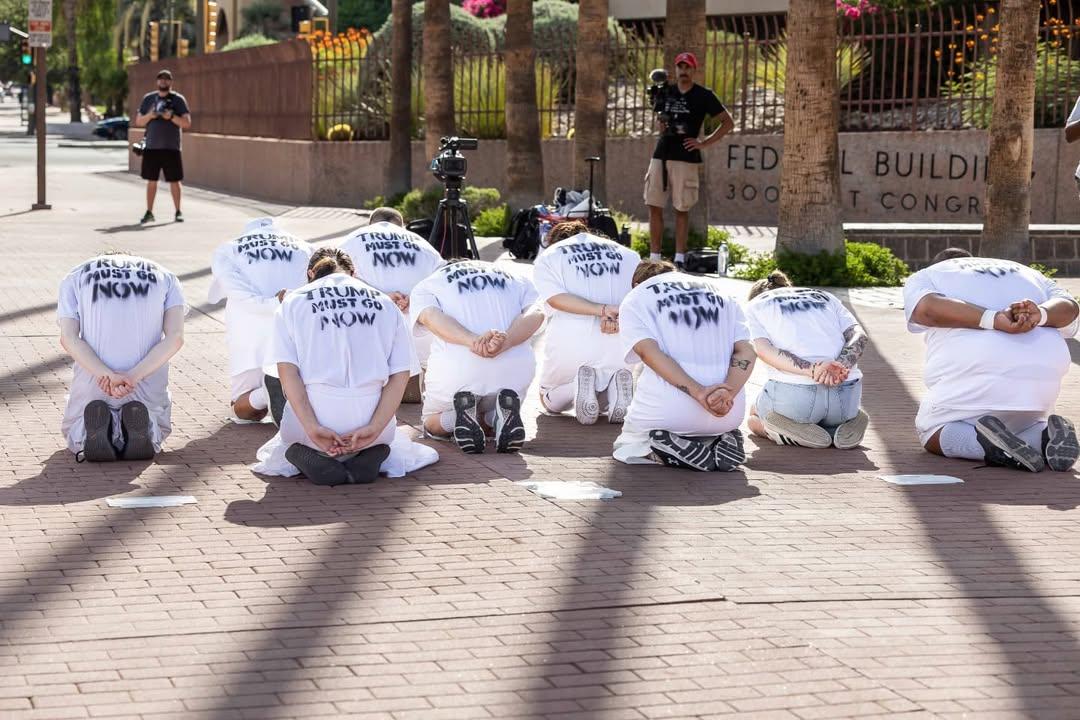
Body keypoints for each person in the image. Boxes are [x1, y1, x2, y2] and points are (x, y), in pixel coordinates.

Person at [253, 248, 437, 485]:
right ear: (353, 272)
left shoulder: (293, 303)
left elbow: (287, 373)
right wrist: (375, 427)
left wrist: (311, 427)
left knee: (282, 448)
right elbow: (400, 375)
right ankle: (368, 453)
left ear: (311, 274)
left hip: (314, 422)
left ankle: (314, 454)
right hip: (372, 422)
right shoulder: (385, 302)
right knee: (398, 443)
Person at [904, 248, 1080, 472]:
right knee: (1024, 425)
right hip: (1041, 384)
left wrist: (994, 319)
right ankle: (1045, 437)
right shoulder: (1028, 273)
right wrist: (1041, 314)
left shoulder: (929, 275)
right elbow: (1071, 308)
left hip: (977, 376)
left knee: (930, 429)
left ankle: (987, 445)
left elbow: (926, 309)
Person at [613, 260, 755, 471]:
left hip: (667, 414)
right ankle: (717, 439)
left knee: (628, 444)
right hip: (728, 412)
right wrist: (726, 394)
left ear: (636, 282)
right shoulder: (723, 294)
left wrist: (700, 393)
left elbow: (648, 352)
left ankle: (658, 450)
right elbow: (747, 351)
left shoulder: (636, 297)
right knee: (710, 428)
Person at [57, 252, 186, 462]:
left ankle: (93, 432)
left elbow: (68, 338)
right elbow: (176, 337)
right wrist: (132, 377)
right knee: (154, 416)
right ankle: (143, 431)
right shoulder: (165, 276)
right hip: (145, 379)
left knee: (76, 426)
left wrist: (106, 375)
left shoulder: (77, 274)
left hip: (95, 379)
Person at [410, 260, 543, 454]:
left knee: (431, 421)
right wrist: (505, 342)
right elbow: (537, 313)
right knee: (495, 405)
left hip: (458, 375)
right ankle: (493, 418)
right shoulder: (517, 278)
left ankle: (457, 418)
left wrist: (474, 342)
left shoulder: (429, 283)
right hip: (513, 374)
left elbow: (431, 317)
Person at [744, 270, 870, 449]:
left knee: (753, 416)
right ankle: (842, 426)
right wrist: (840, 365)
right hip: (846, 392)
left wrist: (813, 370)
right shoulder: (826, 297)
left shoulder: (754, 306)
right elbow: (859, 335)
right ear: (788, 286)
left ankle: (787, 433)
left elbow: (764, 350)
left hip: (795, 397)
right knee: (838, 413)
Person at [532, 220, 639, 425]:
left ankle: (576, 386)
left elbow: (556, 298)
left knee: (548, 399)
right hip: (621, 342)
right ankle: (615, 390)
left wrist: (602, 311)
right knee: (604, 391)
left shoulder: (549, 256)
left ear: (553, 241)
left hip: (572, 341)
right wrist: (619, 316)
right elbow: (640, 297)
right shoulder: (628, 254)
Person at [208, 217, 314, 424]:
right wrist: (286, 302)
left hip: (248, 333)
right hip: (293, 331)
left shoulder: (228, 249)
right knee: (300, 388)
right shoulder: (306, 247)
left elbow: (233, 291)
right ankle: (283, 389)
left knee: (243, 412)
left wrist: (271, 303)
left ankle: (264, 395)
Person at [337, 206, 446, 402]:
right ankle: (413, 383)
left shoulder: (353, 239)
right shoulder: (422, 243)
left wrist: (381, 296)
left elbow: (336, 275)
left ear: (370, 225)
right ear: (402, 226)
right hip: (419, 323)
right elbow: (443, 277)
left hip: (369, 322)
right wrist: (415, 298)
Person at [645, 51, 734, 270]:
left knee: (681, 208)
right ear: (675, 70)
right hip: (662, 152)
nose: (683, 71)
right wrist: (662, 124)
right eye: (680, 67)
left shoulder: (704, 95)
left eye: (687, 67)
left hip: (686, 156)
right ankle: (654, 258)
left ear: (694, 70)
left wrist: (703, 143)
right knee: (653, 203)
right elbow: (660, 123)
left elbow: (727, 122)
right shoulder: (666, 91)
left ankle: (679, 259)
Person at [133, 69, 191, 224]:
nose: (163, 82)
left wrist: (171, 116)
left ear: (171, 82)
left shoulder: (178, 100)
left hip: (172, 147)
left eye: (167, 79)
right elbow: (139, 121)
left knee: (175, 181)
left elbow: (186, 123)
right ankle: (149, 212)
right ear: (157, 81)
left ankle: (178, 211)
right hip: (152, 146)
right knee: (151, 181)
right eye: (161, 79)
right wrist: (150, 115)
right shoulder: (148, 99)